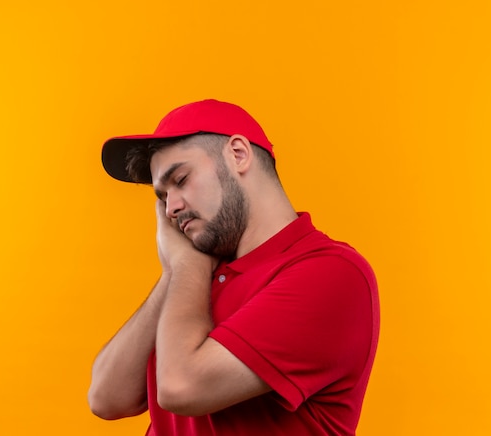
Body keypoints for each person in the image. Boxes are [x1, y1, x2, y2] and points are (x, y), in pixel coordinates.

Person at [88, 99, 380, 436]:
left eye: (180, 179)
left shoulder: (331, 274)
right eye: (162, 197)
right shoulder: (198, 278)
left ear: (238, 154)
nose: (171, 209)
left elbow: (181, 386)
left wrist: (184, 266)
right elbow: (107, 398)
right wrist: (174, 274)